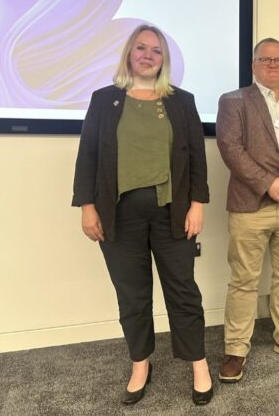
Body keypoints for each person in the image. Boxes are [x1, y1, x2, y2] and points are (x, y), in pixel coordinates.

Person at [72, 24, 213, 405]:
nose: (148, 56)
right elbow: (89, 157)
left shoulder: (181, 102)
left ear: (164, 59)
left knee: (183, 292)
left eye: (156, 50)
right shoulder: (104, 100)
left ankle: (198, 364)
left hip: (174, 214)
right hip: (119, 217)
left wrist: (197, 205)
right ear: (129, 54)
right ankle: (140, 363)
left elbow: (197, 158)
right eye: (141, 49)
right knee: (132, 295)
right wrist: (87, 207)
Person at [216, 38, 279, 384]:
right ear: (253, 65)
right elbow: (231, 148)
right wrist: (269, 184)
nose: (273, 64)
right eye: (265, 58)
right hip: (251, 206)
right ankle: (236, 348)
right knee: (244, 279)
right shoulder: (233, 101)